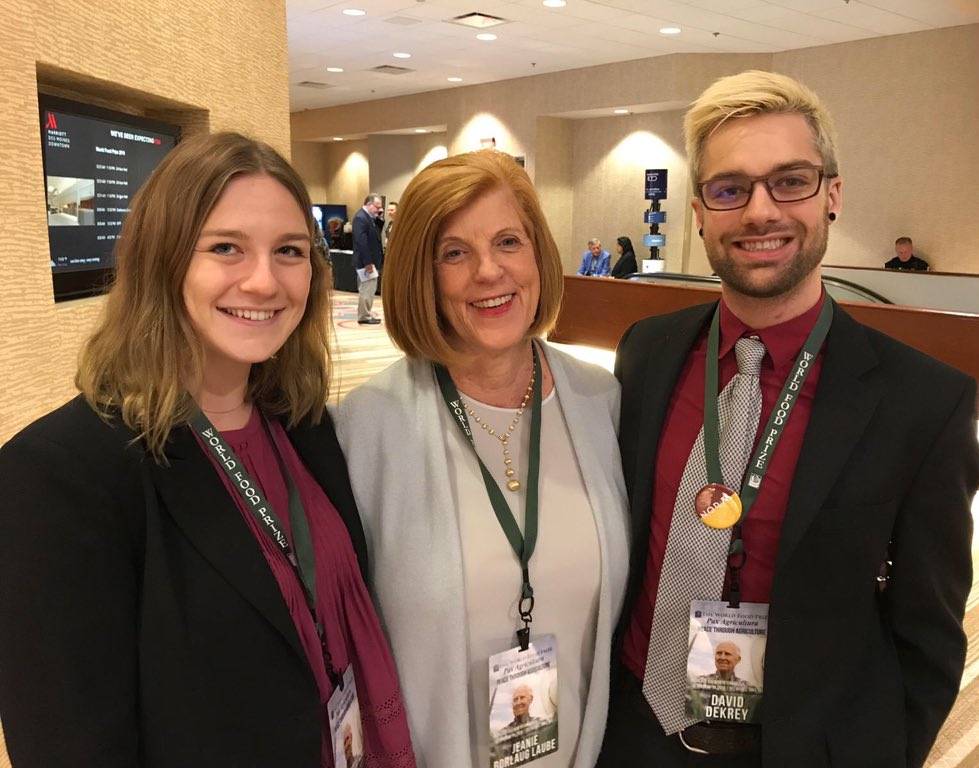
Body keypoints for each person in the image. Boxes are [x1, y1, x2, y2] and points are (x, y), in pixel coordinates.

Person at [598, 71, 979, 767]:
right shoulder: (647, 353)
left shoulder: (924, 403)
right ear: (699, 211)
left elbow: (929, 633)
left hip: (799, 746)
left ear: (832, 195)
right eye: (729, 189)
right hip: (632, 730)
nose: (759, 211)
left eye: (790, 181)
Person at [0, 132, 415, 768]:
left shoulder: (303, 427)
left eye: (289, 251)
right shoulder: (62, 474)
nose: (263, 280)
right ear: (162, 263)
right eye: (226, 248)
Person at [332, 149, 629, 767]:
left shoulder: (601, 400)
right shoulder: (364, 428)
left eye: (508, 241)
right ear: (422, 273)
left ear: (538, 254)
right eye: (455, 253)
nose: (489, 271)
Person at [353, 193, 384, 324]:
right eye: (377, 207)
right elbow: (361, 242)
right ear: (369, 204)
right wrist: (368, 262)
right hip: (365, 261)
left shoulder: (369, 218)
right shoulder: (361, 218)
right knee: (366, 289)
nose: (379, 210)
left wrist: (380, 219)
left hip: (370, 260)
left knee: (370, 288)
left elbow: (376, 234)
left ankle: (367, 314)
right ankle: (364, 316)